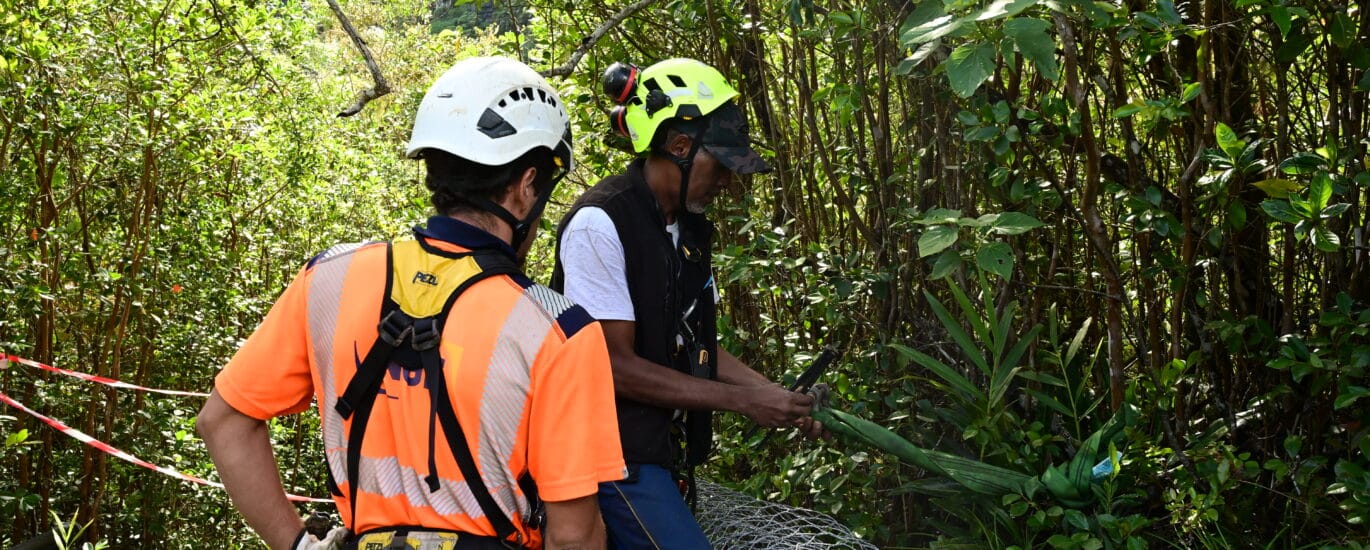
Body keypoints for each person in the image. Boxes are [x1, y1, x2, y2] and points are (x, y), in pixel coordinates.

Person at [198, 56, 626, 550]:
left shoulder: (329, 277)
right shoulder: (559, 328)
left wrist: (297, 544)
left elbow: (223, 420)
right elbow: (573, 536)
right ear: (527, 185)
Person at [550, 58, 823, 549]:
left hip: (661, 452)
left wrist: (776, 395)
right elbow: (611, 365)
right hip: (612, 455)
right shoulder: (601, 223)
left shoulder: (691, 229)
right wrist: (745, 402)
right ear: (680, 147)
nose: (727, 181)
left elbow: (696, 343)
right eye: (720, 165)